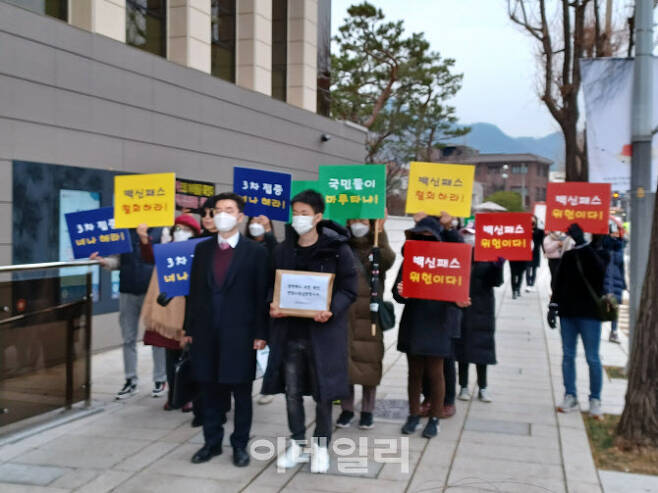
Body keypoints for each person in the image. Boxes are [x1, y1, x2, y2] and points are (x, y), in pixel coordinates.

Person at [263, 190, 357, 474]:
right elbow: (272, 285)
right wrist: (273, 303)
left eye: (304, 213)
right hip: (290, 333)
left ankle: (320, 446)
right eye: (296, 213)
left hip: (323, 334)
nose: (299, 219)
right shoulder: (282, 250)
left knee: (324, 394)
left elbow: (349, 289)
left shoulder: (338, 249)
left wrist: (332, 308)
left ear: (318, 216)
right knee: (292, 393)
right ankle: (297, 442)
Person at [183, 193, 269, 467]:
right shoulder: (202, 249)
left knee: (241, 394)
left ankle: (240, 445)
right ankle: (211, 443)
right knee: (209, 391)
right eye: (217, 210)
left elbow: (261, 295)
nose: (222, 214)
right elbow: (194, 292)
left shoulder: (255, 252)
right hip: (207, 333)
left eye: (228, 210)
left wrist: (261, 333)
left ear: (240, 216)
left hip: (240, 334)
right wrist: (189, 328)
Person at [392, 215, 469, 439]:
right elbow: (397, 294)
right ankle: (413, 414)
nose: (425, 240)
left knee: (436, 373)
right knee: (414, 372)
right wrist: (401, 291)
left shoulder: (448, 260)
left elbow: (458, 290)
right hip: (414, 322)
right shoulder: (410, 260)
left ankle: (435, 417)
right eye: (420, 235)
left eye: (430, 236)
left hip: (439, 322)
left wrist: (460, 302)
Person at [139, 214, 202, 425]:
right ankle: (173, 395)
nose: (180, 232)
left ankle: (189, 397)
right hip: (168, 311)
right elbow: (149, 258)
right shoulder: (166, 250)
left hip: (190, 309)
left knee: (190, 357)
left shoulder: (199, 251)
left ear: (194, 233)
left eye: (186, 229)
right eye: (178, 228)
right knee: (170, 356)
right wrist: (144, 239)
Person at [335, 216, 395, 430]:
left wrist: (381, 230)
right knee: (346, 363)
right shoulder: (341, 246)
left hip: (371, 317)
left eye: (362, 221)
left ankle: (368, 411)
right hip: (345, 315)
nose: (357, 225)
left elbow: (389, 259)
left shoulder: (377, 248)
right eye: (352, 221)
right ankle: (347, 409)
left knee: (370, 363)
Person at [91, 227, 165, 400]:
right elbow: (117, 262)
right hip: (127, 290)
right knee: (128, 338)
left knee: (157, 337)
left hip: (153, 291)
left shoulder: (162, 230)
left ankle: (160, 379)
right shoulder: (123, 231)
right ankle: (130, 380)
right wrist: (103, 262)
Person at [548, 223, 608, 420]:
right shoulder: (569, 255)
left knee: (592, 358)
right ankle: (570, 394)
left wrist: (583, 244)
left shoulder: (601, 253)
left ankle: (595, 399)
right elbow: (559, 282)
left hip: (590, 314)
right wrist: (553, 306)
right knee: (568, 355)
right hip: (568, 313)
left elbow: (598, 272)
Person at [455, 228, 504, 403]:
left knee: (482, 350)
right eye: (466, 236)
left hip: (483, 309)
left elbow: (496, 281)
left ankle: (483, 387)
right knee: (463, 350)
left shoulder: (487, 257)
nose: (469, 239)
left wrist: (498, 266)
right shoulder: (459, 256)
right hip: (462, 307)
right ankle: (463, 386)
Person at [245, 214, 279, 406]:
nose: (255, 225)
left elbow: (277, 261)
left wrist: (268, 233)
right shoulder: (242, 246)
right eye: (253, 222)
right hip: (245, 303)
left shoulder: (273, 246)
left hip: (266, 304)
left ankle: (268, 386)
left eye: (260, 222)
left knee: (267, 347)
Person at [602, 221, 626, 344]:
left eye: (618, 231)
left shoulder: (620, 246)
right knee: (601, 306)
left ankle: (614, 332)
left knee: (615, 308)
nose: (617, 233)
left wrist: (623, 283)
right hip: (604, 279)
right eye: (614, 231)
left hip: (616, 281)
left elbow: (621, 266)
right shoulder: (604, 244)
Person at [525, 217, 545, 292]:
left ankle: (532, 284)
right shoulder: (526, 229)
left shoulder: (540, 231)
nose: (532, 222)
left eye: (533, 220)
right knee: (527, 269)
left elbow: (542, 242)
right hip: (527, 252)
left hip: (536, 252)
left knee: (534, 269)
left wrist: (544, 252)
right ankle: (528, 284)